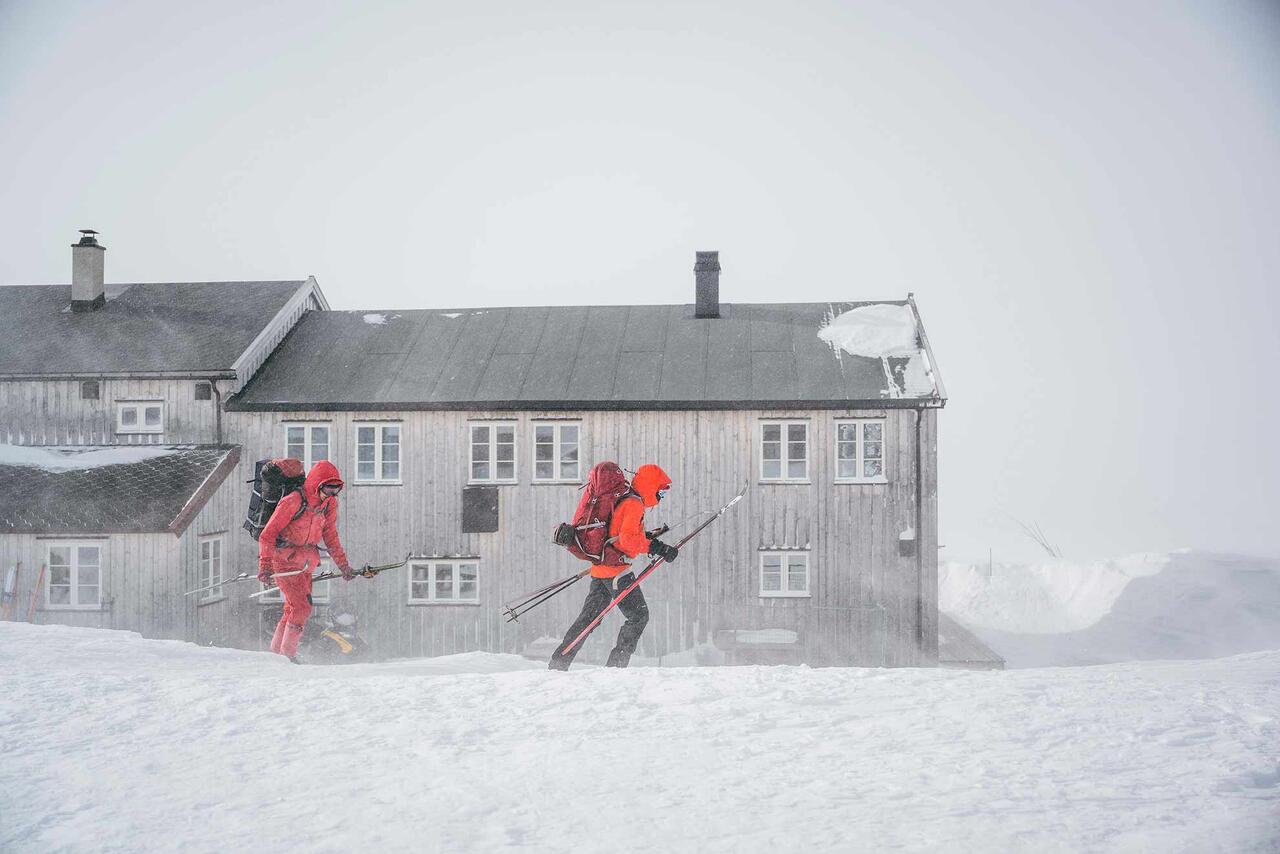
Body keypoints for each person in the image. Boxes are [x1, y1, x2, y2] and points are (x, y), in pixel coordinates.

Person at [549, 463, 679, 671]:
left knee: (589, 620)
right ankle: (616, 668)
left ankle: (558, 663)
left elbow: (616, 534)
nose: (661, 496)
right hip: (616, 572)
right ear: (650, 486)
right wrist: (656, 547)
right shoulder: (634, 504)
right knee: (638, 617)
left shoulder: (626, 499)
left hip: (601, 569)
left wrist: (648, 539)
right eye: (661, 491)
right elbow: (626, 541)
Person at [257, 460, 357, 662]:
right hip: (283, 561)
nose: (332, 495)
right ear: (317, 485)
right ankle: (288, 655)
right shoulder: (293, 501)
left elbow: (331, 536)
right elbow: (267, 535)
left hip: (305, 563)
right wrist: (265, 566)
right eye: (329, 489)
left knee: (292, 608)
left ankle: (276, 656)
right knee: (302, 608)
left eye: (336, 490)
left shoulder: (328, 504)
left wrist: (344, 566)